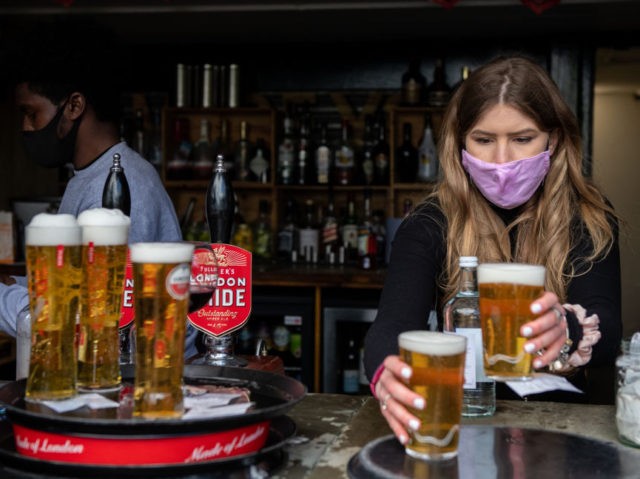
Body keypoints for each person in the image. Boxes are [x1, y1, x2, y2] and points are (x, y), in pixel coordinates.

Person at [363, 56, 621, 445]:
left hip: (561, 433)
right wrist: (387, 376)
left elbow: (608, 326)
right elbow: (390, 328)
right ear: (460, 142)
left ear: (553, 138)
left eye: (522, 139)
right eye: (483, 140)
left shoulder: (588, 217)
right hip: (463, 424)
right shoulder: (431, 223)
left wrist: (565, 330)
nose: (502, 161)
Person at [0, 22, 199, 358]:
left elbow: (95, 321)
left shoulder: (120, 183)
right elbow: (81, 285)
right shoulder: (89, 176)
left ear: (74, 106)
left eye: (31, 113)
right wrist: (16, 284)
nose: (26, 127)